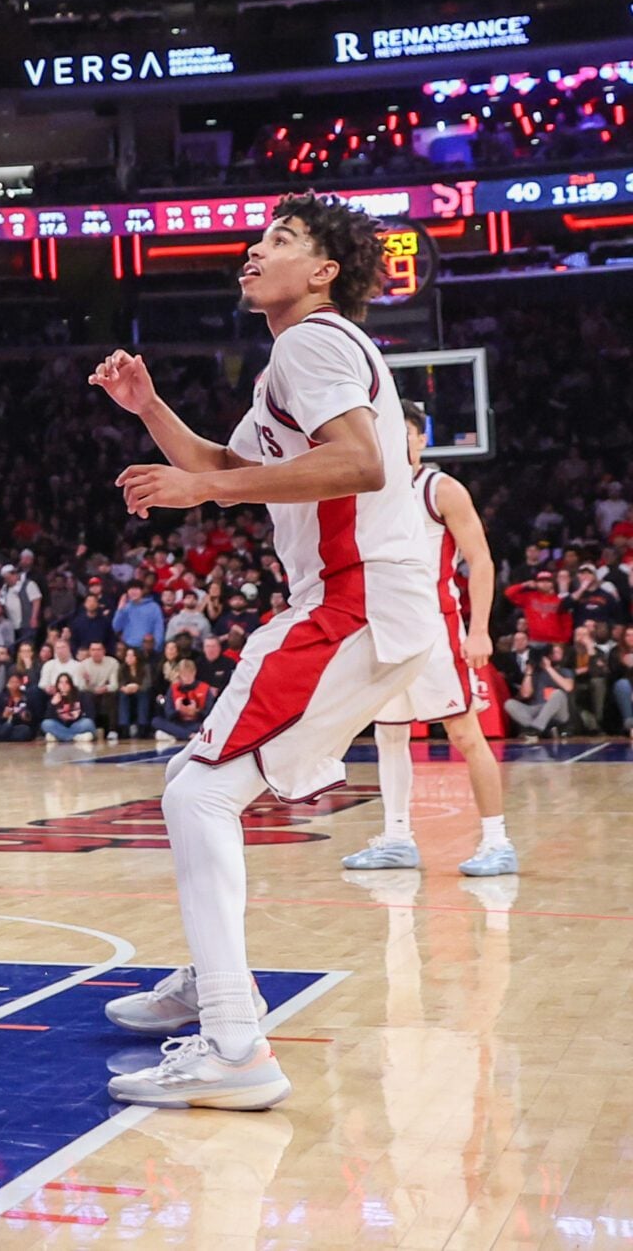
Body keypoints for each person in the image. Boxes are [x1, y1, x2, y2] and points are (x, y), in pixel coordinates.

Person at [90, 193, 448, 1111]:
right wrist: (150, 407)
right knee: (198, 780)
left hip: (355, 595)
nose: (255, 251)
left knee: (198, 790)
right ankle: (221, 985)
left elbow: (362, 463)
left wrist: (194, 490)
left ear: (324, 270)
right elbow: (219, 466)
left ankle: (235, 1039)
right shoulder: (296, 362)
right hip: (365, 601)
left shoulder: (313, 342)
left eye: (280, 240)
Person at [340, 405, 515, 878]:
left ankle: (498, 842)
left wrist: (479, 630)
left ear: (421, 441)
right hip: (384, 629)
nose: (400, 441)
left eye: (408, 434)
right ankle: (397, 838)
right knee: (389, 734)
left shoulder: (440, 489)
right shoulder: (368, 491)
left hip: (435, 630)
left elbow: (480, 560)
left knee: (463, 733)